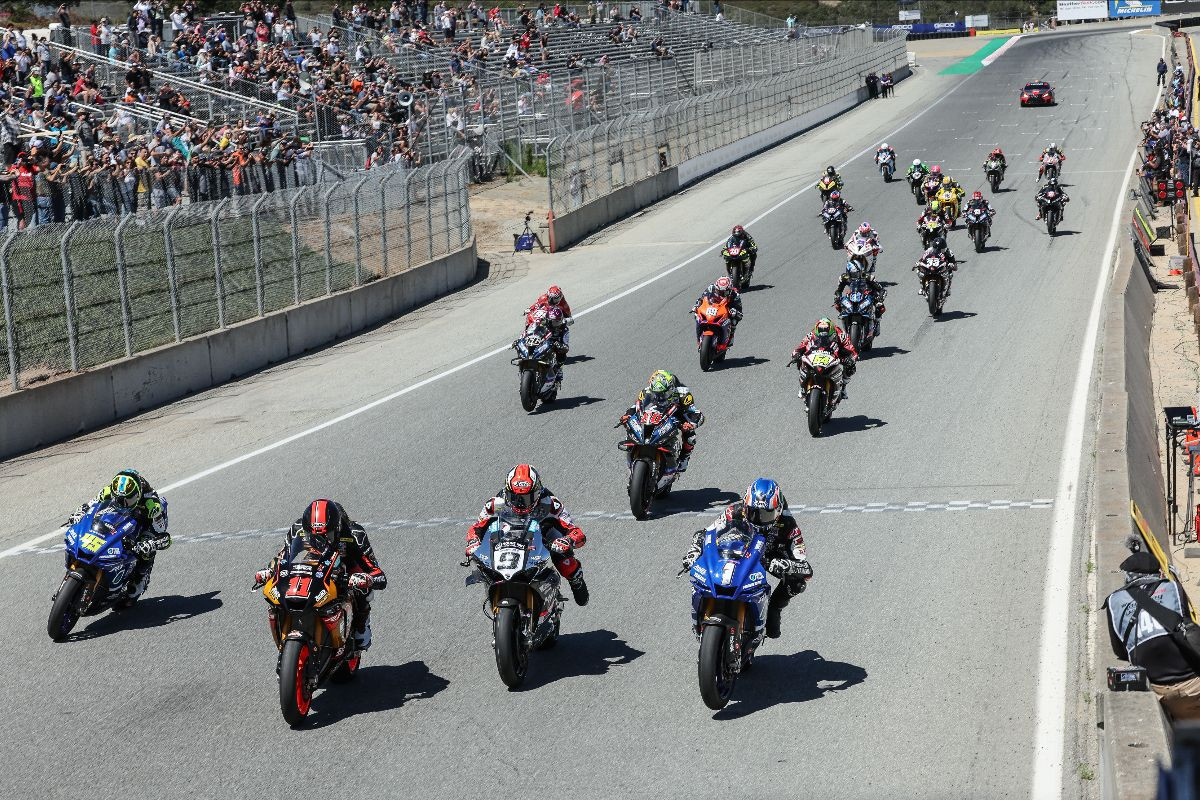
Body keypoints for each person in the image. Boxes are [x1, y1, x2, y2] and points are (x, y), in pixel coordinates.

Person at [681, 478, 812, 639]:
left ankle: (773, 609)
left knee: (798, 583)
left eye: (765, 514)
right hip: (740, 549)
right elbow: (705, 534)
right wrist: (694, 550)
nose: (758, 519)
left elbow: (806, 568)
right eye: (752, 512)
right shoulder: (735, 511)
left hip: (770, 557)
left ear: (777, 511)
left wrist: (785, 564)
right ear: (745, 506)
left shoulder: (789, 525)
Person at [253, 499, 387, 650]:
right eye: (314, 536)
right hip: (314, 565)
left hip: (346, 568)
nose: (320, 540)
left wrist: (367, 579)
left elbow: (378, 574)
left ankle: (362, 625)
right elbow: (283, 556)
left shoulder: (355, 534)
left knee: (363, 589)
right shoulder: (298, 528)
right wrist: (269, 571)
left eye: (326, 535)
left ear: (337, 528)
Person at [465, 464, 590, 606]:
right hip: (510, 536)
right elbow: (477, 528)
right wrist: (473, 541)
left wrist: (567, 540)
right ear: (507, 491)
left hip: (544, 533)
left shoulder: (551, 504)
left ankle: (575, 579)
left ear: (538, 491)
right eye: (515, 497)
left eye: (528, 497)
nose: (521, 503)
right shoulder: (496, 504)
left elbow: (576, 532)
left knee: (565, 563)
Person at [1105, 543, 1200, 721]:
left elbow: (1120, 651)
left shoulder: (1113, 602)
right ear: (1159, 573)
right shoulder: (1173, 588)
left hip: (1157, 688)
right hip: (1193, 686)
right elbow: (1188, 631)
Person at [69, 469, 170, 607]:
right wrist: (79, 513)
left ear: (137, 495)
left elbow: (164, 536)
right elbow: (89, 505)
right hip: (119, 518)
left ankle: (141, 579)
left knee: (146, 551)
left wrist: (152, 543)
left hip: (145, 523)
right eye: (119, 499)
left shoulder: (152, 505)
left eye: (128, 500)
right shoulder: (108, 491)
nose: (123, 503)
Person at [621, 370, 704, 472]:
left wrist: (691, 424)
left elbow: (696, 413)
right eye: (656, 393)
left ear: (671, 388)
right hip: (656, 413)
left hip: (677, 413)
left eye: (664, 393)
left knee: (690, 436)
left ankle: (684, 458)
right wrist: (627, 415)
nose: (660, 397)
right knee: (631, 424)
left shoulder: (684, 395)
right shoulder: (645, 392)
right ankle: (633, 450)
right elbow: (635, 407)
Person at [791, 317, 857, 400]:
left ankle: (843, 387)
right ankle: (802, 387)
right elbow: (799, 347)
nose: (823, 334)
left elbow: (852, 351)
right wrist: (796, 355)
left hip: (834, 355)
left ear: (832, 332)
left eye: (826, 335)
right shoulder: (811, 334)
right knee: (800, 360)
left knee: (851, 367)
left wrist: (850, 359)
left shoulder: (840, 334)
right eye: (821, 332)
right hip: (815, 355)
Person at [693, 275, 743, 347]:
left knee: (734, 321)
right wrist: (696, 305)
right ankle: (699, 338)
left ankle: (730, 337)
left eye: (723, 292)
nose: (720, 294)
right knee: (697, 316)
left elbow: (740, 313)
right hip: (711, 308)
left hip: (726, 312)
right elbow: (701, 299)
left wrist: (735, 312)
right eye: (718, 291)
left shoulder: (735, 295)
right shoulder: (711, 288)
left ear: (729, 290)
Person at [525, 284, 573, 352]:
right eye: (550, 298)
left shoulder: (563, 305)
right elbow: (535, 305)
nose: (552, 300)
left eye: (555, 299)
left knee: (564, 329)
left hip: (556, 322)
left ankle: (563, 344)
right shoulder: (543, 298)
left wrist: (564, 320)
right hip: (543, 318)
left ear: (560, 297)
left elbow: (570, 318)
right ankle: (526, 337)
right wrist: (529, 309)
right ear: (548, 295)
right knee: (532, 322)